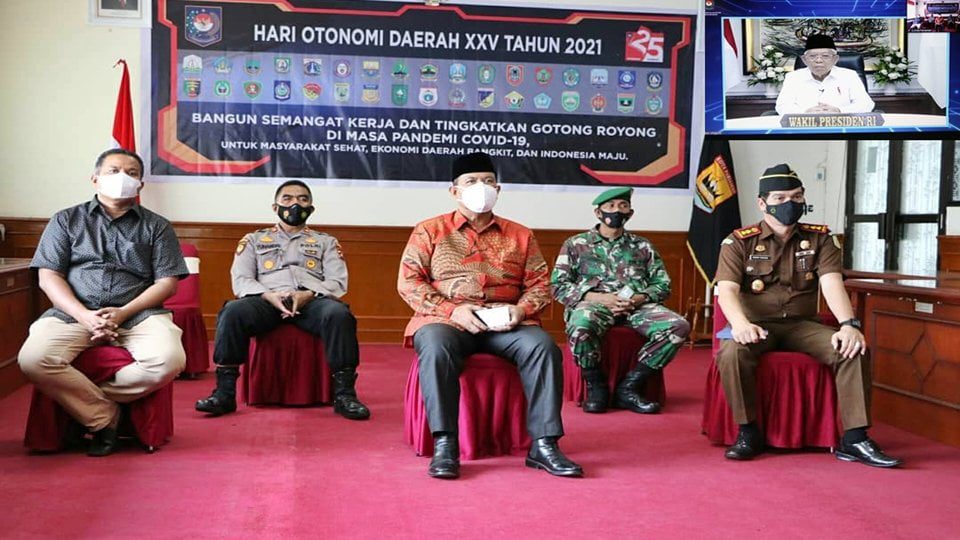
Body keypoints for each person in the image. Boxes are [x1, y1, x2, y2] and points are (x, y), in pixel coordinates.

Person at [397, 152, 582, 479]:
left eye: (487, 181)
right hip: (449, 319)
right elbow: (409, 282)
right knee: (435, 345)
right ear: (454, 191)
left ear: (498, 189)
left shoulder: (520, 234)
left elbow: (541, 284)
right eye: (471, 181)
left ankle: (544, 444)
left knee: (543, 348)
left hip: (506, 322)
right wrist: (452, 310)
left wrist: (520, 309)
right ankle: (445, 443)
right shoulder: (430, 230)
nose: (480, 187)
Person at [714, 163, 902, 468]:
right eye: (780, 198)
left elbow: (831, 283)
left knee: (852, 348)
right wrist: (740, 324)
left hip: (801, 325)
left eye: (797, 196)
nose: (789, 203)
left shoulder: (821, 239)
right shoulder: (739, 241)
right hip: (756, 325)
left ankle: (854, 439)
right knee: (732, 353)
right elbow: (727, 290)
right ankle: (748, 432)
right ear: (762, 203)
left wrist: (848, 325)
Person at [18, 148, 187, 457]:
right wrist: (85, 316)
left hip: (138, 314)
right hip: (73, 312)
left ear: (141, 184)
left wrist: (122, 313)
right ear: (95, 179)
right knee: (34, 359)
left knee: (168, 361)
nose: (122, 178)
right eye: (113, 171)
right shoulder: (66, 220)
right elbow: (49, 276)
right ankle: (104, 416)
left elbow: (167, 282)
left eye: (132, 173)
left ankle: (86, 401)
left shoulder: (157, 226)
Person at [195, 180, 370, 421]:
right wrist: (268, 295)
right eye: (287, 198)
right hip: (266, 300)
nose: (295, 204)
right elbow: (241, 279)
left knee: (339, 315)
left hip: (311, 300)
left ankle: (345, 395)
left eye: (302, 199)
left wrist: (309, 294)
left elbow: (337, 281)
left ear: (311, 208)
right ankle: (224, 394)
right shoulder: (253, 240)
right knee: (232, 312)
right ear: (275, 207)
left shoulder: (326, 242)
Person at [551, 188, 690, 414]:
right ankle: (596, 386)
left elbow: (663, 285)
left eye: (623, 206)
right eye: (611, 206)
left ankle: (630, 386)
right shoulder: (576, 244)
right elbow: (558, 286)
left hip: (636, 307)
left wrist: (638, 299)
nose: (617, 211)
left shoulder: (643, 246)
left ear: (630, 213)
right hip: (595, 305)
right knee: (580, 326)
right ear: (598, 213)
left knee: (679, 326)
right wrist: (599, 298)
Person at [775, 34, 874, 115]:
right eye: (812, 56)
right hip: (805, 127)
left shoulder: (849, 76)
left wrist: (839, 111)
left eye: (825, 56)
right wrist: (805, 112)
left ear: (835, 59)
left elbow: (866, 104)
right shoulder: (793, 78)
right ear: (804, 60)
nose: (819, 60)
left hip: (840, 126)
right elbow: (782, 106)